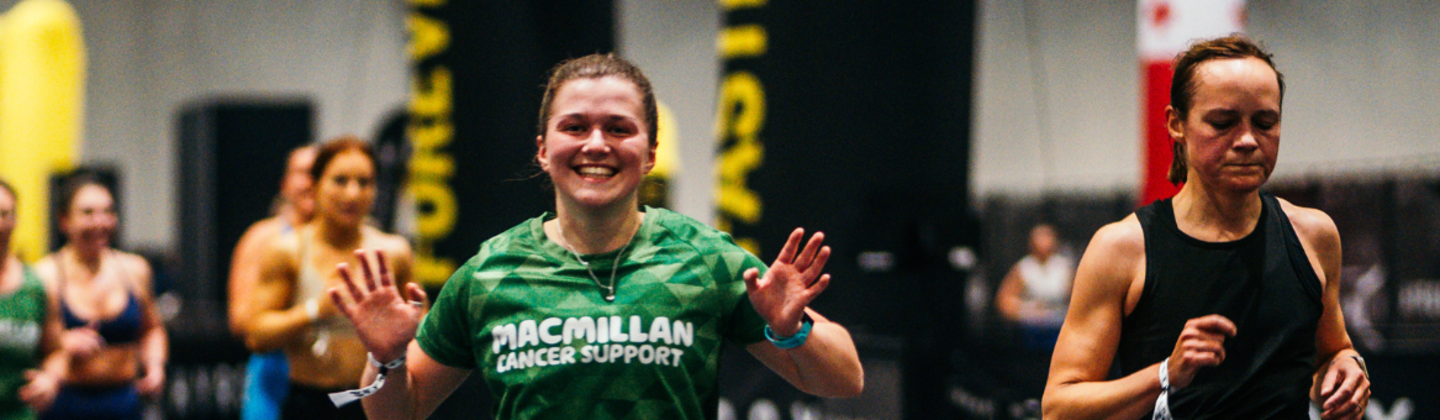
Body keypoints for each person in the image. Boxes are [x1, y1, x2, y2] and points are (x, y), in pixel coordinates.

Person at [326, 53, 864, 419]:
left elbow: (845, 381)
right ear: (543, 149)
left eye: (620, 128)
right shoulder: (490, 273)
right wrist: (388, 358)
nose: (597, 144)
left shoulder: (706, 259)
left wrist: (792, 332)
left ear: (650, 153)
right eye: (576, 127)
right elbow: (402, 411)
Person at [1042, 36, 1370, 420]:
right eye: (1223, 123)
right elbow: (1059, 410)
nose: (1247, 140)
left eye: (1265, 122)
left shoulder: (1313, 236)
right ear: (1176, 124)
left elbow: (1331, 352)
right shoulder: (1124, 249)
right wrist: (1165, 374)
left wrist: (1346, 369)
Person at [242, 137, 413, 420]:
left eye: (365, 182)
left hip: (373, 401)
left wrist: (400, 329)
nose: (352, 194)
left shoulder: (394, 252)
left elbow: (425, 329)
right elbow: (256, 334)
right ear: (316, 184)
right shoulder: (288, 250)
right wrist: (314, 311)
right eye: (340, 180)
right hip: (308, 402)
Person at [34, 175, 167, 420]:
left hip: (123, 401)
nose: (100, 222)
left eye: (108, 212)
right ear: (64, 220)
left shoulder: (134, 270)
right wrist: (62, 342)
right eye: (88, 213)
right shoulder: (45, 275)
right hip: (65, 401)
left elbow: (152, 329)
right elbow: (25, 342)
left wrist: (155, 366)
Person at [229, 145, 316, 420]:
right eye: (303, 173)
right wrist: (312, 313)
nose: (311, 182)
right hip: (274, 377)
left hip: (329, 379)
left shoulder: (349, 244)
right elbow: (241, 321)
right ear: (285, 184)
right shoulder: (261, 238)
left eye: (319, 173)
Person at [0, 179, 68, 419]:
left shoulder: (37, 285)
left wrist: (50, 379)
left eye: (4, 214)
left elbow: (56, 352)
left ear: (15, 220)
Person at [995, 223, 1074, 350]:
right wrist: (1027, 311)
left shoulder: (1063, 267)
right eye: (1039, 238)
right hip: (1030, 329)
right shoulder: (1023, 268)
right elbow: (1004, 302)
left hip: (1059, 327)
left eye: (1047, 237)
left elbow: (1077, 299)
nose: (1044, 242)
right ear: (1031, 242)